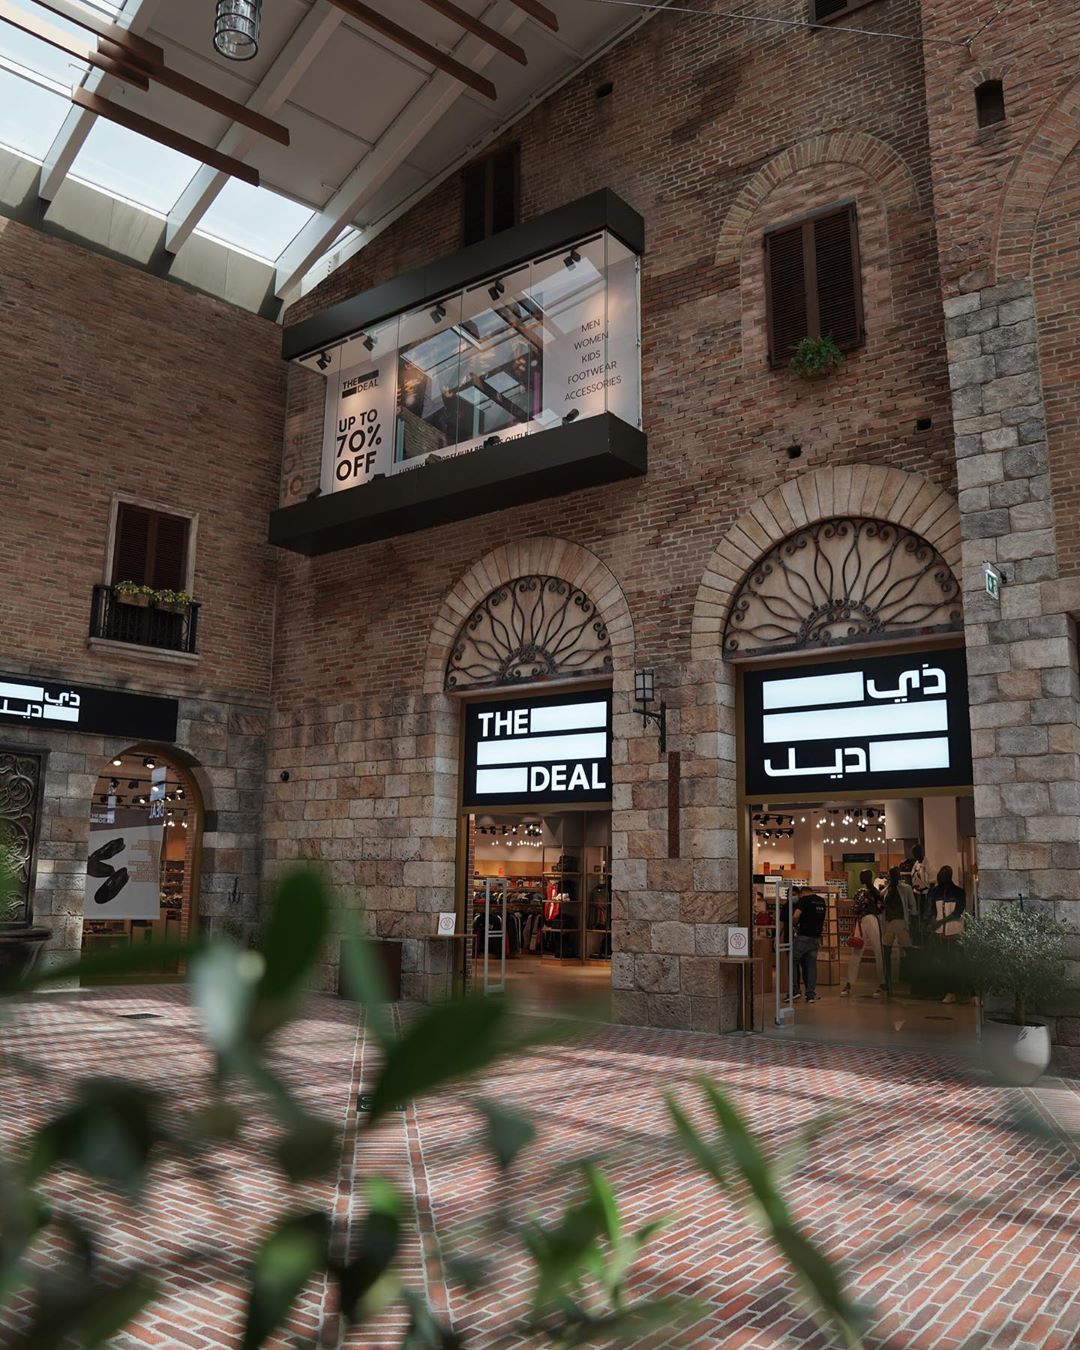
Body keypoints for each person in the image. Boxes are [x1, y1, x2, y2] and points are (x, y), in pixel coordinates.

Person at [841, 868, 884, 997]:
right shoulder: (861, 892)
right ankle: (849, 982)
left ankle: (883, 983)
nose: (860, 877)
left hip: (871, 919)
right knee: (856, 950)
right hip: (861, 920)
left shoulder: (875, 892)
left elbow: (880, 908)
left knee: (878, 950)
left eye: (862, 875)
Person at [928, 865, 967, 1003]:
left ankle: (959, 991)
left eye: (945, 874)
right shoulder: (936, 892)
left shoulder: (959, 892)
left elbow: (958, 912)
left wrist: (940, 922)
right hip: (940, 933)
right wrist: (934, 922)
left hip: (954, 931)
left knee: (956, 962)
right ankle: (947, 991)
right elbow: (933, 910)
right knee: (943, 963)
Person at [790, 884, 827, 1003]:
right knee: (811, 965)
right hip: (816, 937)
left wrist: (794, 924)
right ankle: (810, 994)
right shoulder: (821, 901)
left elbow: (796, 915)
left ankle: (794, 990)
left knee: (793, 961)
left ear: (803, 893)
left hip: (803, 936)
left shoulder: (804, 900)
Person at [881, 866, 915, 993]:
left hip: (901, 921)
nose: (893, 876)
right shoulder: (887, 889)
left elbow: (912, 905)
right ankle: (887, 980)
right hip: (889, 922)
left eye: (894, 874)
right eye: (891, 874)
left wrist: (911, 921)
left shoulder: (906, 888)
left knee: (908, 950)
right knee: (886, 951)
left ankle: (912, 980)